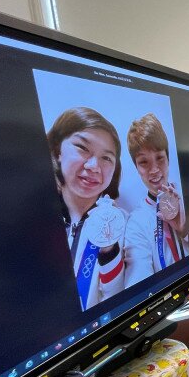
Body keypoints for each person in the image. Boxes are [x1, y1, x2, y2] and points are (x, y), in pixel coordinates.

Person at [46, 107, 125, 312]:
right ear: (57, 151)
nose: (93, 166)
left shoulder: (124, 224)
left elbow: (119, 303)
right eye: (82, 147)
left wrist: (109, 249)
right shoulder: (27, 218)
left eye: (106, 158)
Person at [124, 113, 189, 287]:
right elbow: (139, 283)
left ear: (168, 158)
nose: (154, 170)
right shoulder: (136, 222)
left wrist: (185, 231)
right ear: (136, 168)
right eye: (144, 162)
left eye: (159, 158)